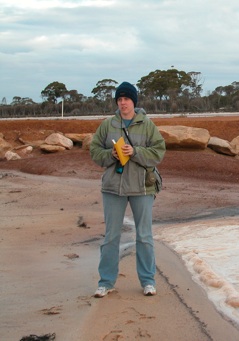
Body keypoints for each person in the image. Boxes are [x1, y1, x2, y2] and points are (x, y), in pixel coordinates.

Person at [90, 81, 166, 298]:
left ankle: (148, 281)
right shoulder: (108, 125)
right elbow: (95, 151)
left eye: (126, 99)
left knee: (144, 236)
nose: (123, 103)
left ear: (134, 101)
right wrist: (110, 155)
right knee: (111, 237)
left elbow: (159, 152)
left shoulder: (147, 125)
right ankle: (105, 282)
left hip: (143, 187)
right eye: (119, 99)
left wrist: (135, 151)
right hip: (113, 188)